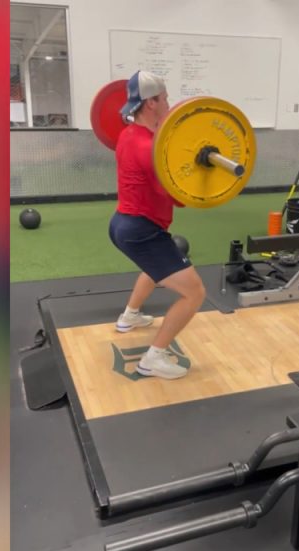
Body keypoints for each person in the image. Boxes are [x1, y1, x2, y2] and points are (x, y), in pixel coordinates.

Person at [108, 71, 206, 380]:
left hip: (123, 223)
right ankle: (154, 359)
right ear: (151, 102)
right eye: (163, 98)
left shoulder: (129, 134)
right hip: (142, 230)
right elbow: (178, 196)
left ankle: (129, 316)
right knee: (194, 293)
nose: (167, 102)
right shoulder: (149, 148)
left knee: (155, 269)